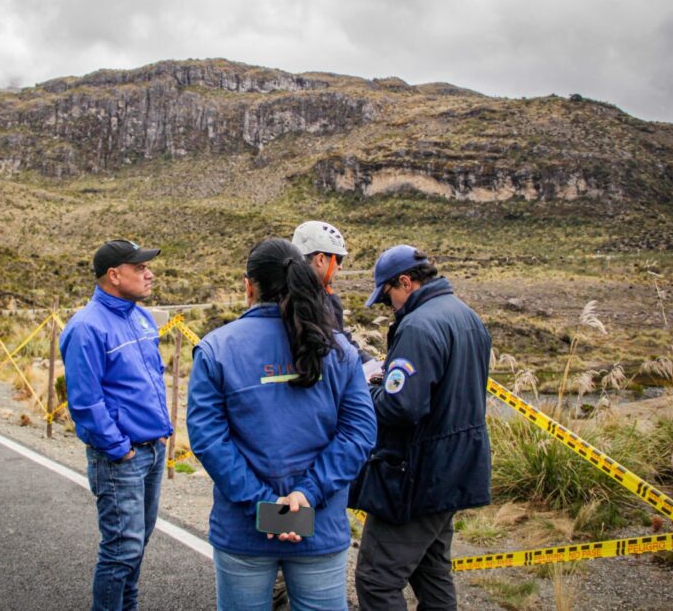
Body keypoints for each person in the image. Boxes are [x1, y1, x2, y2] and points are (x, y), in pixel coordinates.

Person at [187, 238, 376, 611]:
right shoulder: (339, 349)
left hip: (244, 531)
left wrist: (265, 505)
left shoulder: (216, 349)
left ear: (248, 285)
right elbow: (359, 433)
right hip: (318, 528)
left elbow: (209, 439)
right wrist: (307, 494)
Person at [350, 245, 492, 610]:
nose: (390, 306)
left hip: (418, 475)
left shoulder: (417, 325)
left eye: (388, 298)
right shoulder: (467, 316)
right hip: (455, 469)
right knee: (432, 572)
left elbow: (402, 406)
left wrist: (368, 391)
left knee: (377, 578)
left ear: (405, 282)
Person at [60, 239, 173, 611]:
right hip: (122, 457)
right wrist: (118, 447)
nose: (148, 272)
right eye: (139, 268)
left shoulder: (140, 316)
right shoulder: (86, 328)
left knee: (136, 546)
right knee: (121, 550)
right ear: (114, 274)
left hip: (152, 451)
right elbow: (85, 401)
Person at [291, 220, 374, 363]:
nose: (340, 267)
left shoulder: (278, 292)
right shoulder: (326, 301)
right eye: (339, 259)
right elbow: (338, 345)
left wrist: (371, 363)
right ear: (321, 259)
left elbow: (340, 338)